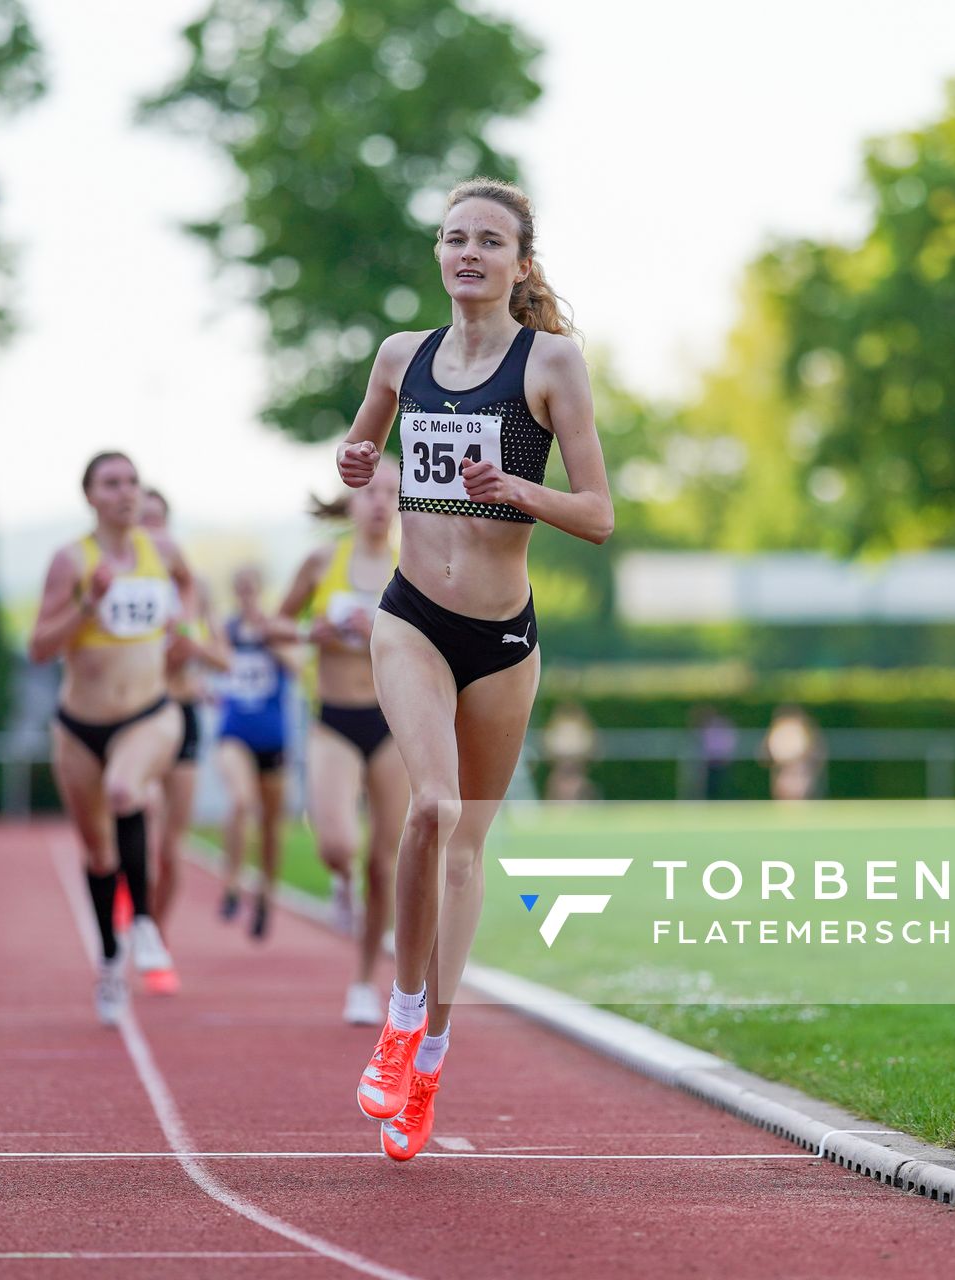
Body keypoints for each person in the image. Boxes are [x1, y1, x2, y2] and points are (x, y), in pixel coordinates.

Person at [337, 178, 612, 1161]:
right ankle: (401, 1014)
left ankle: (433, 1057)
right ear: (439, 254)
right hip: (410, 614)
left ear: (520, 263)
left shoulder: (554, 364)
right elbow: (361, 441)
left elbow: (600, 514)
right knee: (430, 809)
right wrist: (356, 460)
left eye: (488, 241)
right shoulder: (401, 356)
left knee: (465, 851)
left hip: (501, 639)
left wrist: (517, 489)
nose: (467, 254)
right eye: (454, 238)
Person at [28, 452, 193, 1025]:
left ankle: (144, 922)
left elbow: (190, 589)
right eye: (111, 483)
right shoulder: (71, 561)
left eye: (131, 482)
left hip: (150, 712)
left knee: (127, 791)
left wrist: (185, 632)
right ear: (91, 496)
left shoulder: (162, 551)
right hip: (79, 726)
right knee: (97, 853)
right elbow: (40, 646)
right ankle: (108, 963)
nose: (125, 492)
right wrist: (88, 605)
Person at [277, 459, 408, 1025]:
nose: (379, 502)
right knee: (336, 843)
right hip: (333, 718)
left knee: (386, 861)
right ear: (350, 501)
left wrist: (383, 631)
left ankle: (362, 980)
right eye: (369, 491)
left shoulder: (417, 567)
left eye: (390, 493)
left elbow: (446, 641)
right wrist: (313, 633)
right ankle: (338, 878)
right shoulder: (321, 561)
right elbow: (274, 626)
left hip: (396, 722)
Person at [139, 488, 231, 994]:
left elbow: (224, 659)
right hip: (136, 717)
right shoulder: (125, 585)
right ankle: (132, 913)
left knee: (171, 848)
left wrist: (192, 649)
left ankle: (156, 934)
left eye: (159, 521)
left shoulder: (195, 589)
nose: (152, 531)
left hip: (184, 716)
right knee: (137, 818)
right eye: (143, 522)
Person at [214, 565, 300, 941]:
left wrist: (272, 640)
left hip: (273, 738)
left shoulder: (275, 629)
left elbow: (298, 667)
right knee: (240, 801)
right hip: (233, 733)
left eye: (253, 589)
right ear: (236, 592)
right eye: (242, 590)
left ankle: (266, 892)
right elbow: (212, 661)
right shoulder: (226, 631)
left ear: (261, 590)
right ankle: (232, 882)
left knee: (270, 824)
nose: (248, 597)